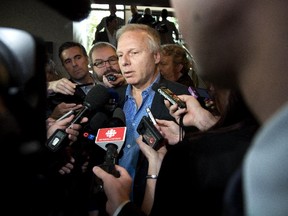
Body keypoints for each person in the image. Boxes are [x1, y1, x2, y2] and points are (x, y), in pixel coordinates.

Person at [113, 23, 190, 208]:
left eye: (133, 53)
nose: (124, 62)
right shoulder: (112, 98)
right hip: (114, 201)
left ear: (156, 56)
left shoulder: (182, 97)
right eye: (120, 55)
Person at [47, 41, 97, 120]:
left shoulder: (104, 83)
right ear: (64, 66)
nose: (74, 64)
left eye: (78, 57)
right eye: (68, 61)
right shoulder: (59, 96)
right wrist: (53, 117)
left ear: (87, 59)